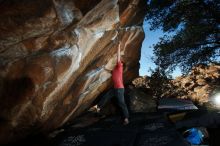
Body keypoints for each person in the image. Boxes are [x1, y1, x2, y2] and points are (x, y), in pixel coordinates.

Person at [92, 42, 129, 125]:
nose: (119, 62)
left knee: (122, 104)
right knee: (106, 96)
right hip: (115, 88)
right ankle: (98, 107)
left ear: (122, 64)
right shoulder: (115, 69)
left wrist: (119, 46)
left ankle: (126, 119)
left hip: (119, 89)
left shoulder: (120, 67)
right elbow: (109, 70)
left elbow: (118, 57)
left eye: (121, 62)